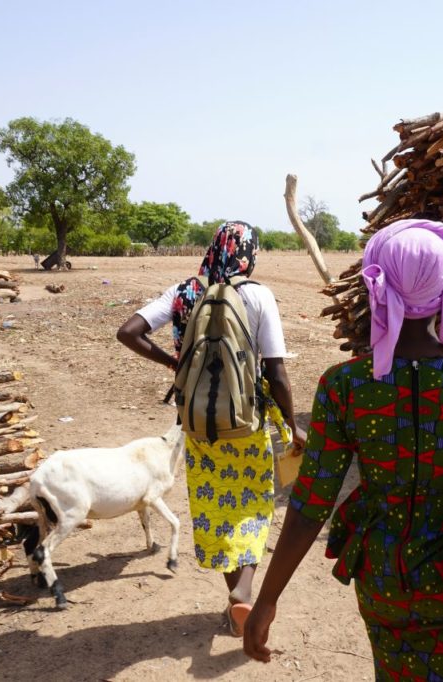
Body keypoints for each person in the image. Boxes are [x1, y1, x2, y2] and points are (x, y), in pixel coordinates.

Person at [242, 219, 443, 681]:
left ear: (378, 286)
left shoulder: (346, 385)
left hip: (383, 580)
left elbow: (310, 503)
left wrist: (267, 599)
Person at [117, 219, 306, 635]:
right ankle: (245, 590)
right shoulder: (257, 295)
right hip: (247, 422)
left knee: (216, 512)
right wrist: (292, 424)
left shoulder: (186, 291)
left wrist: (175, 364)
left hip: (199, 424)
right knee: (253, 506)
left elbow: (128, 332)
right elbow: (276, 371)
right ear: (249, 253)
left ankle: (236, 597)